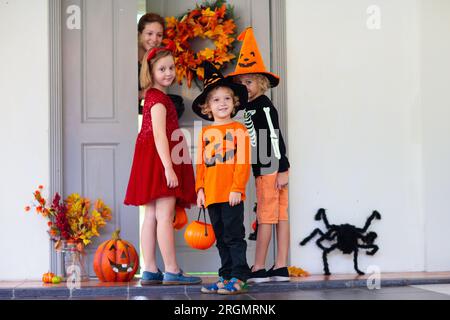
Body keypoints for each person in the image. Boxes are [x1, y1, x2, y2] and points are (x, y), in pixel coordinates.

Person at [124, 43, 201, 286]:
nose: (168, 73)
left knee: (152, 215)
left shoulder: (152, 96)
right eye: (162, 69)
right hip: (160, 159)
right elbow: (159, 135)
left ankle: (149, 269)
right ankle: (172, 269)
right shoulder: (158, 100)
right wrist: (169, 167)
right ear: (151, 71)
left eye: (171, 68)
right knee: (164, 216)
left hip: (150, 159)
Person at [227, 27, 291, 283]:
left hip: (271, 167)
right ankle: (280, 266)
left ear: (262, 82)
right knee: (278, 215)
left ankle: (260, 267)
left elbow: (274, 135)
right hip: (268, 166)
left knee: (267, 215)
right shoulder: (248, 108)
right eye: (241, 83)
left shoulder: (262, 105)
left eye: (250, 81)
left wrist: (283, 167)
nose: (246, 87)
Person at [192, 62, 251, 295]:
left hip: (231, 195)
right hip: (212, 195)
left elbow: (243, 162)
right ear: (207, 107)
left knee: (234, 236)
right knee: (220, 239)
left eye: (227, 98)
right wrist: (200, 190)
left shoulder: (239, 130)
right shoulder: (205, 133)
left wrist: (237, 187)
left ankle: (239, 277)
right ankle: (225, 276)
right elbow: (201, 165)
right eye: (216, 100)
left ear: (234, 102)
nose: (222, 103)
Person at [137, 13, 164, 114]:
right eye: (149, 34)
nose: (154, 39)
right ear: (139, 34)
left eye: (159, 35)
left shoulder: (157, 60)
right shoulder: (127, 58)